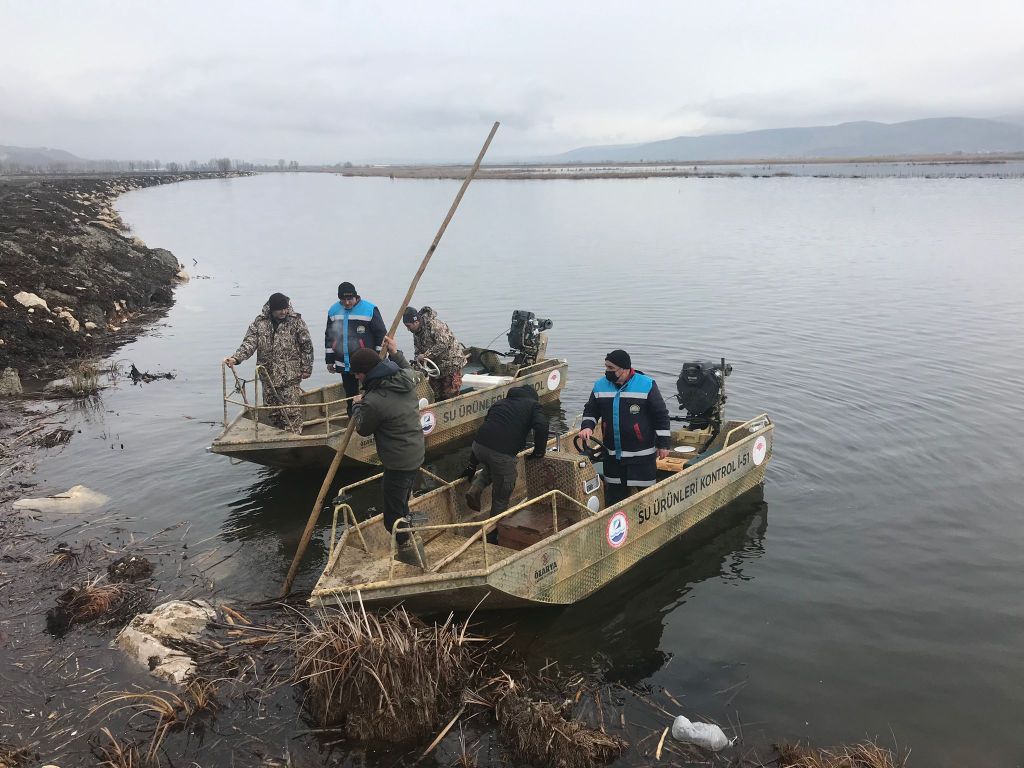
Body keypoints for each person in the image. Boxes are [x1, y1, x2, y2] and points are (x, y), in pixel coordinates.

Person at [349, 337, 426, 566]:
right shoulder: (406, 379)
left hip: (398, 462)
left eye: (358, 373)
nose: (356, 377)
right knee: (400, 502)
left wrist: (355, 406)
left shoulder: (373, 402)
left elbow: (363, 429)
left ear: (366, 373)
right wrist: (395, 352)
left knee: (392, 518)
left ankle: (411, 555)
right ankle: (408, 527)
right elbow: (407, 368)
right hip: (415, 452)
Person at [580, 349, 670, 506]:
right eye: (606, 367)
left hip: (641, 456)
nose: (606, 371)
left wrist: (664, 444)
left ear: (624, 369)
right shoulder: (600, 385)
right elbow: (591, 410)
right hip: (612, 455)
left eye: (610, 368)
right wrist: (587, 426)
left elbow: (660, 415)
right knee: (614, 498)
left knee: (647, 499)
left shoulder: (647, 384)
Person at [224, 292, 313, 433]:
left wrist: (307, 368)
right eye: (280, 309)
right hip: (268, 375)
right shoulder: (260, 323)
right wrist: (236, 358)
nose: (284, 312)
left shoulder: (296, 322)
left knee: (292, 412)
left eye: (285, 309)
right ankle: (279, 437)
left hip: (289, 375)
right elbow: (249, 343)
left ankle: (295, 437)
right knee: (273, 411)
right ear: (272, 309)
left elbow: (306, 346)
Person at [462, 384, 549, 522]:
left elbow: (486, 430)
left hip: (478, 447)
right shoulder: (533, 405)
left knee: (492, 465)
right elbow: (542, 426)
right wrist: (539, 452)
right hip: (501, 454)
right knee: (502, 495)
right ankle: (492, 533)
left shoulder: (500, 403)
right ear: (533, 398)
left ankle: (475, 489)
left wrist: (472, 464)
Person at [325, 281, 387, 412]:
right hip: (344, 363)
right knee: (350, 396)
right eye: (343, 300)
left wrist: (378, 358)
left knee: (372, 393)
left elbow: (381, 335)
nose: (347, 303)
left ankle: (372, 418)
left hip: (367, 363)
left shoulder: (370, 309)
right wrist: (330, 360)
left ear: (356, 296)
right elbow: (329, 336)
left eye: (349, 299)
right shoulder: (333, 310)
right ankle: (352, 420)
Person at [403, 306, 466, 401]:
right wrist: (418, 363)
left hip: (452, 364)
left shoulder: (435, 325)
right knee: (434, 394)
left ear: (416, 322)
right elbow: (418, 350)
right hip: (435, 367)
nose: (408, 329)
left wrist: (426, 355)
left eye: (408, 326)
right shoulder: (416, 333)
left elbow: (443, 343)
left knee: (449, 394)